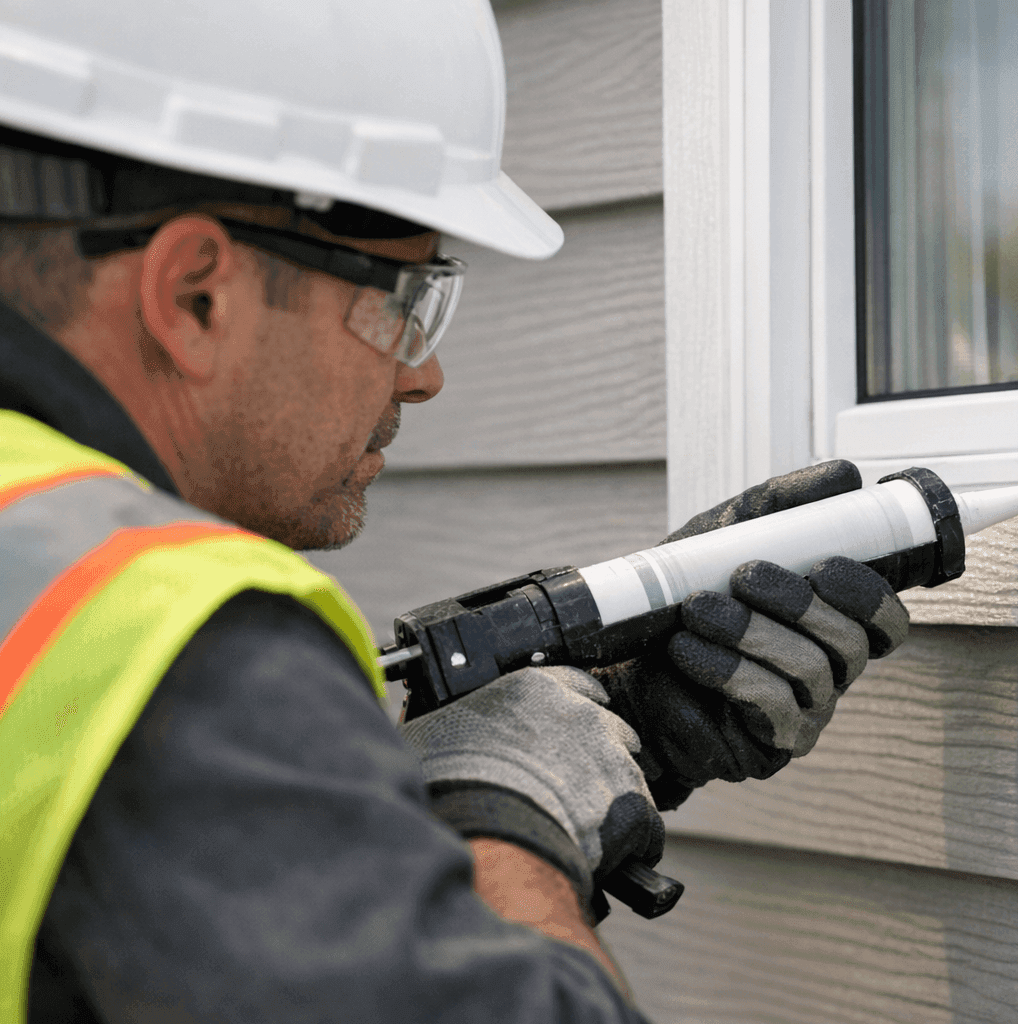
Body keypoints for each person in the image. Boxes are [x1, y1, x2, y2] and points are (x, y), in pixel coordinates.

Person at [0, 3, 910, 1022]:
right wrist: (503, 800)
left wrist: (619, 720)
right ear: (197, 294)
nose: (423, 372)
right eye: (403, 298)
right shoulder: (165, 645)